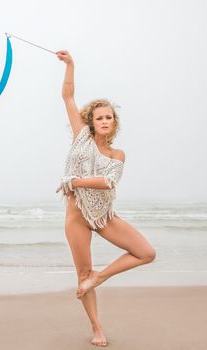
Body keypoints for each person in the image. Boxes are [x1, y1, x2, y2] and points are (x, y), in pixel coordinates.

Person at [55, 50, 157, 347]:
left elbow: (107, 181)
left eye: (108, 117)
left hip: (104, 216)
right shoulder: (81, 136)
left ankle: (101, 277)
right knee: (82, 273)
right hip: (76, 216)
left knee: (146, 253)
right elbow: (68, 96)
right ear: (91, 120)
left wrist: (73, 181)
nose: (103, 121)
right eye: (99, 117)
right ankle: (97, 328)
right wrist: (71, 65)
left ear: (114, 123)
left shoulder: (117, 154)